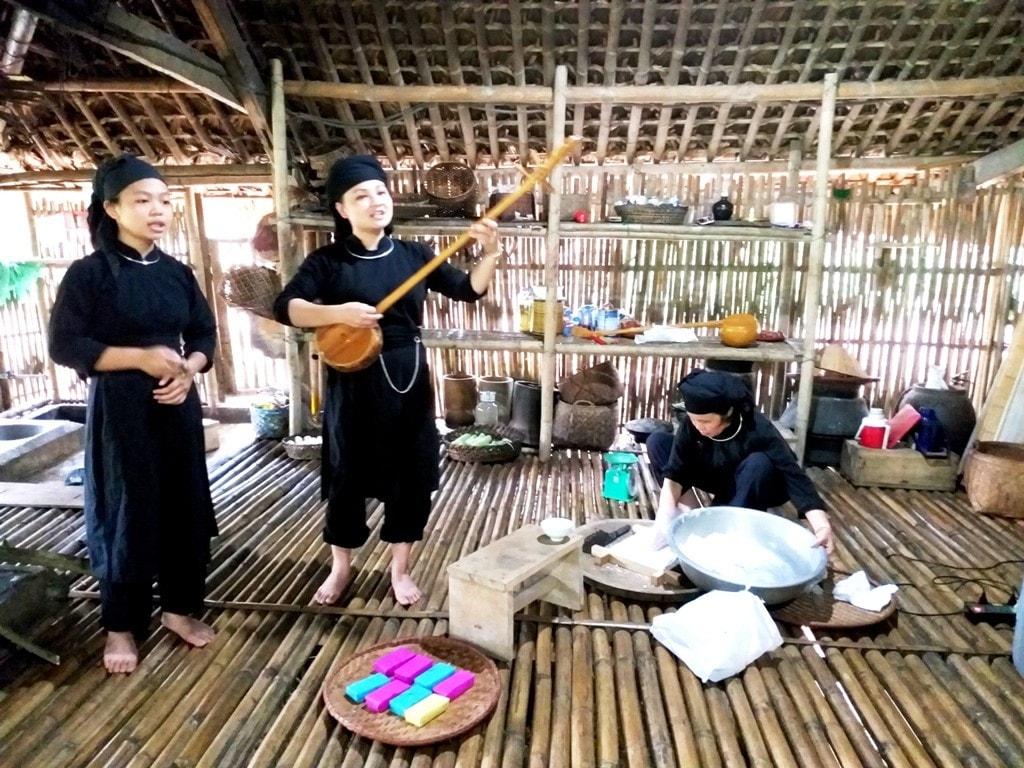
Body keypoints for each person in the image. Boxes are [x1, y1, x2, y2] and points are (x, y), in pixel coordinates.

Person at [273, 155, 502, 607]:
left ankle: (400, 569)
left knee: (410, 473)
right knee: (347, 473)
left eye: (380, 191)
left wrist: (491, 253)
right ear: (342, 209)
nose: (376, 201)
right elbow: (287, 307)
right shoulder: (328, 262)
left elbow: (467, 289)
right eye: (361, 196)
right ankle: (341, 567)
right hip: (352, 378)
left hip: (406, 374)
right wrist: (338, 313)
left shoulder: (414, 255)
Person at [48, 154, 218, 674]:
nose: (157, 210)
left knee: (184, 504)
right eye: (142, 200)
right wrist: (140, 359)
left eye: (164, 200)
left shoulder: (176, 274)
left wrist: (189, 370)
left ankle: (178, 609)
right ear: (113, 208)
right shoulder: (89, 274)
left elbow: (204, 334)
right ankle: (121, 625)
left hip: (176, 405)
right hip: (121, 412)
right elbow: (65, 344)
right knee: (126, 509)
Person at [646, 368, 834, 554]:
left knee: (759, 462)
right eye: (693, 419)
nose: (698, 426)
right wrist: (663, 520)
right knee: (658, 441)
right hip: (716, 473)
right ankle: (692, 513)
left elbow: (793, 475)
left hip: (751, 481)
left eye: (705, 422)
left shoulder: (757, 427)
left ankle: (731, 526)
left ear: (727, 413)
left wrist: (821, 526)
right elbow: (674, 473)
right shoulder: (693, 424)